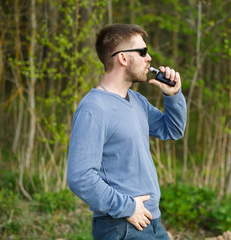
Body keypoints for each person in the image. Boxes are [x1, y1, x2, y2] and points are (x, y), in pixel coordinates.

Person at [67, 23, 187, 240]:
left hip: (151, 223)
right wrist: (127, 207)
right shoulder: (93, 109)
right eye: (142, 52)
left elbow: (173, 130)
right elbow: (80, 177)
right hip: (121, 226)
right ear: (122, 58)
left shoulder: (137, 101)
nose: (149, 57)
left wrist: (174, 95)